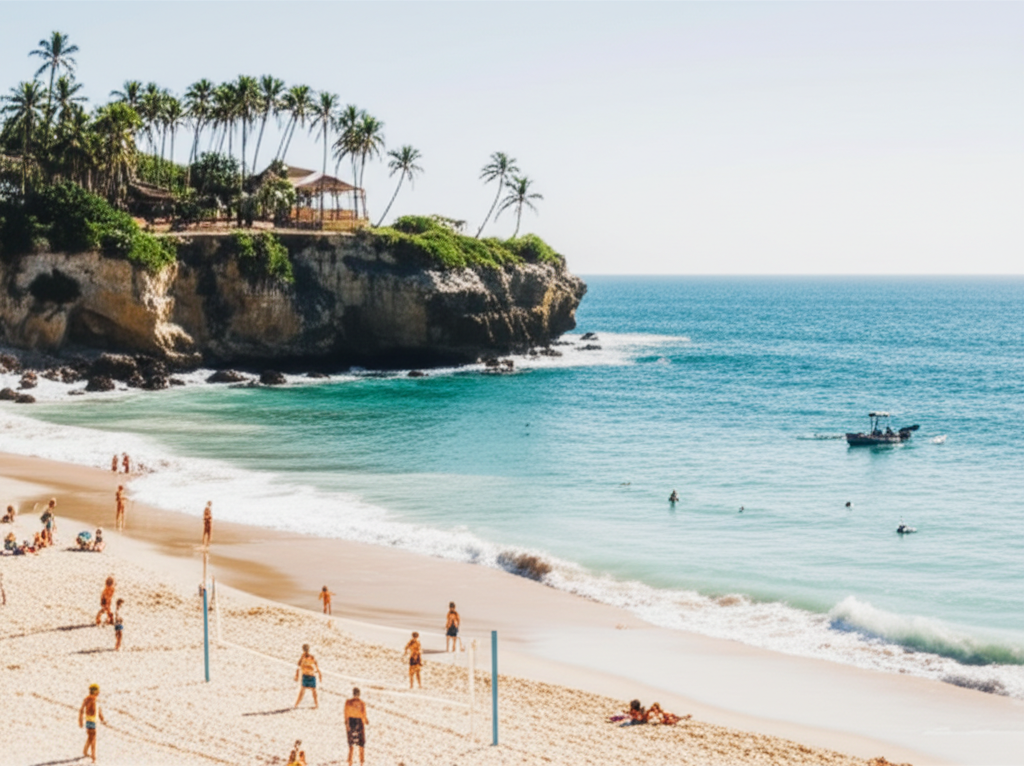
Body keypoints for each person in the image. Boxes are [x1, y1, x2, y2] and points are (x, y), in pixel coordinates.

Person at [78, 683, 107, 763]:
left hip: (92, 720)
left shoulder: (94, 700)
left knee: (91, 736)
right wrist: (80, 720)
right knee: (93, 737)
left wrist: (102, 719)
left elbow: (99, 710)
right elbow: (81, 710)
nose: (99, 693)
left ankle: (85, 751)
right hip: (90, 720)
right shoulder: (88, 699)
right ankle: (93, 757)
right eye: (98, 691)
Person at [344, 687, 368, 766]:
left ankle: (350, 762)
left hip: (351, 722)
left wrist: (347, 724)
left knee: (351, 744)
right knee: (361, 744)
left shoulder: (348, 702)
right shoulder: (361, 703)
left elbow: (346, 714)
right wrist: (366, 721)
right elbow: (363, 715)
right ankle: (361, 763)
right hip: (359, 722)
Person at [294, 644, 322, 708]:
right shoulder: (303, 657)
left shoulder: (311, 657)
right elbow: (299, 665)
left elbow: (316, 665)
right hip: (307, 675)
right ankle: (296, 704)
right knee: (304, 691)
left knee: (312, 691)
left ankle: (316, 704)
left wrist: (319, 674)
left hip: (310, 675)